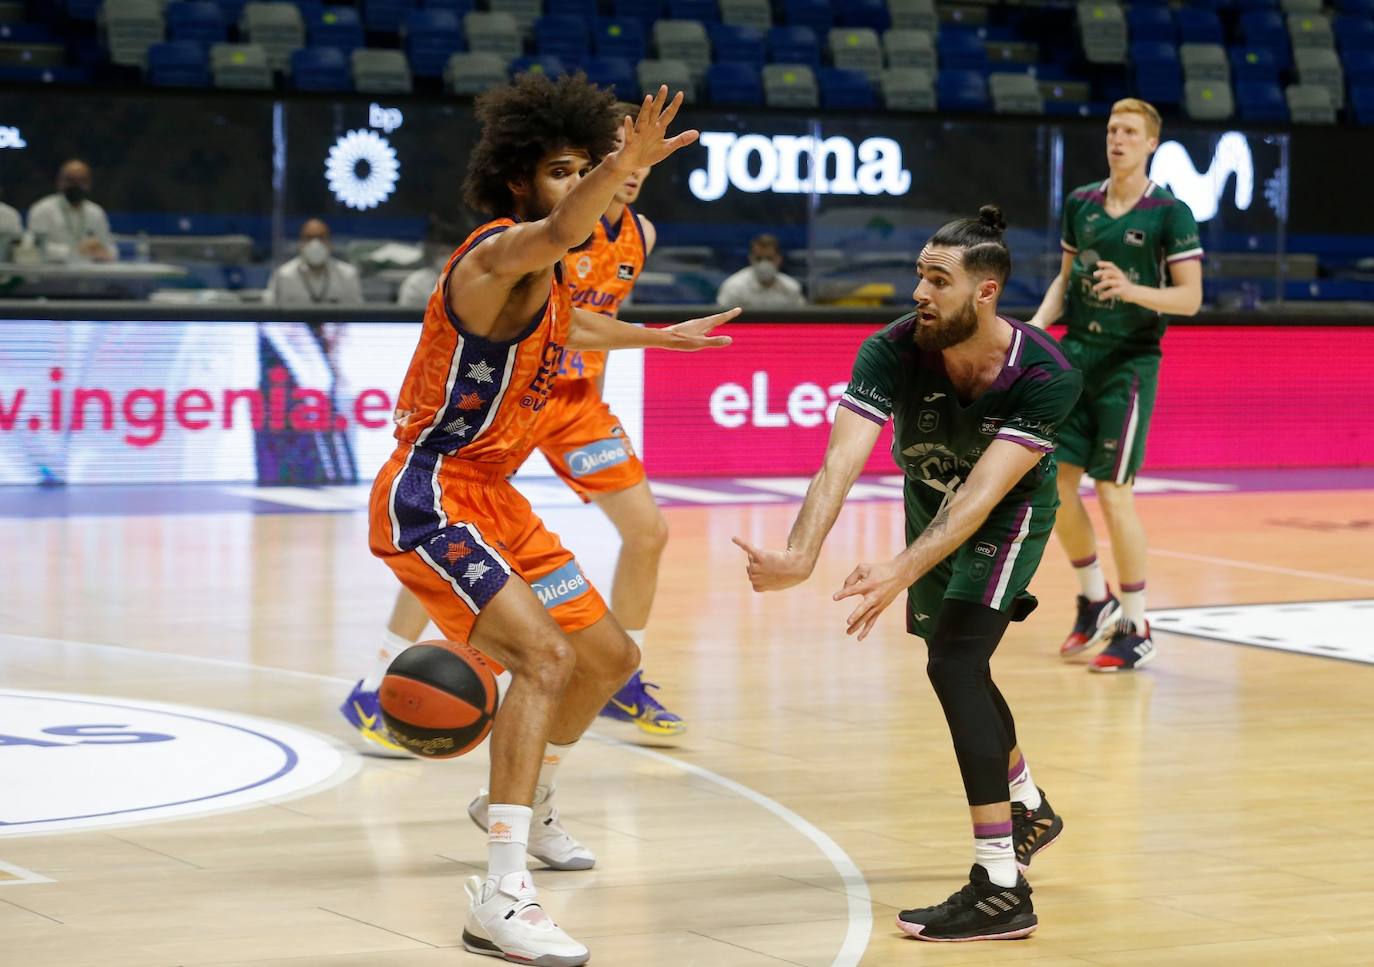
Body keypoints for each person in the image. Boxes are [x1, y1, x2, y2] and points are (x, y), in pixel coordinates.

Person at [363, 75, 733, 966]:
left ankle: (518, 799)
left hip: (498, 496)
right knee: (544, 658)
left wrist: (661, 338)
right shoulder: (496, 254)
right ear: (520, 182)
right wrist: (621, 162)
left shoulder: (553, 279)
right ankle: (500, 895)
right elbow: (567, 230)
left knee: (609, 659)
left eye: (583, 169)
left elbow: (579, 327)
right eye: (562, 170)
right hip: (433, 492)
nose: (578, 186)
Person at [735, 206, 1079, 942]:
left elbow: (981, 498)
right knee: (955, 661)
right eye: (919, 275)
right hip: (929, 507)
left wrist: (897, 568)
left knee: (956, 662)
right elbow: (840, 460)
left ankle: (1000, 886)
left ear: (985, 291)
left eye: (938, 280)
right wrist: (801, 554)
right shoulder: (892, 349)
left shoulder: (1045, 373)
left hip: (1005, 516)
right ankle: (1026, 803)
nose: (919, 292)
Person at [353, 104, 685, 748]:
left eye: (631, 156)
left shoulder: (639, 235)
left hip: (575, 405)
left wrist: (657, 339)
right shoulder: (539, 234)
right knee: (456, 527)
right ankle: (378, 679)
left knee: (649, 532)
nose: (628, 169)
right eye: (613, 155)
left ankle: (623, 679)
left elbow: (577, 322)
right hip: (509, 402)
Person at [1028, 98, 1203, 672]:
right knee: (1051, 483)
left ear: (1151, 143)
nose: (1117, 139)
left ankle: (1137, 622)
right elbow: (1063, 280)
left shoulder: (1170, 213)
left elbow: (1190, 299)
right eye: (1111, 130)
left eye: (1129, 131)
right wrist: (1035, 329)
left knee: (1113, 490)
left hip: (1129, 362)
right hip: (1078, 353)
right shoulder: (1081, 202)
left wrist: (1131, 291)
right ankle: (1093, 598)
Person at [26, 159, 116, 262]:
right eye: (71, 180)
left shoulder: (96, 212)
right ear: (59, 182)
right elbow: (36, 247)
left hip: (89, 270)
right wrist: (73, 252)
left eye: (82, 181)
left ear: (89, 184)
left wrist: (105, 252)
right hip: (52, 270)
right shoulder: (43, 209)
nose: (76, 185)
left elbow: (109, 246)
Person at [265, 219, 364, 306]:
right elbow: (269, 311)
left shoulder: (348, 274)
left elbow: (357, 313)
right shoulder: (282, 275)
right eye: (309, 238)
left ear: (329, 243)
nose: (315, 243)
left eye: (321, 237)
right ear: (300, 243)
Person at [715, 233, 805, 308]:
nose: (764, 264)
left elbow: (800, 319)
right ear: (751, 258)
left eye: (769, 258)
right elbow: (722, 319)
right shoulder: (733, 287)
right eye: (758, 259)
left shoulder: (791, 288)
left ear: (779, 259)